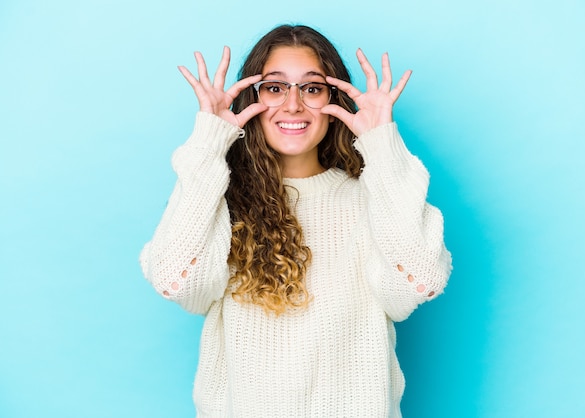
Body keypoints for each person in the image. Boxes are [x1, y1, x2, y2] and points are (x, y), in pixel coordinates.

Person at [140, 24, 452, 418]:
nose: (292, 105)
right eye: (274, 88)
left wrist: (383, 148)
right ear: (252, 98)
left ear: (334, 99)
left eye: (311, 88)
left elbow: (417, 284)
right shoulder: (215, 196)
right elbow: (177, 282)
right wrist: (208, 144)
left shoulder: (373, 196)